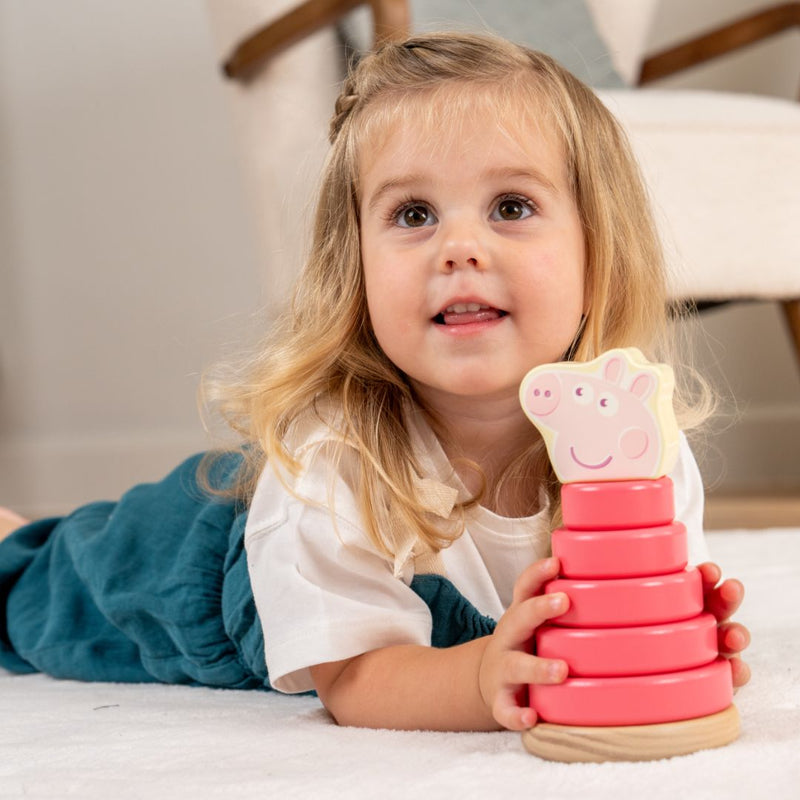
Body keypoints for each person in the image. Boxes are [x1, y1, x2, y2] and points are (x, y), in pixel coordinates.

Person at [0, 32, 749, 732]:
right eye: (413, 213)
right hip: (206, 554)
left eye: (511, 207)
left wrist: (676, 631)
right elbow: (353, 675)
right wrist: (480, 677)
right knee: (53, 587)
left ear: (598, 252)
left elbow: (628, 602)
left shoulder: (631, 440)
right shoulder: (331, 457)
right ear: (354, 269)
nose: (460, 247)